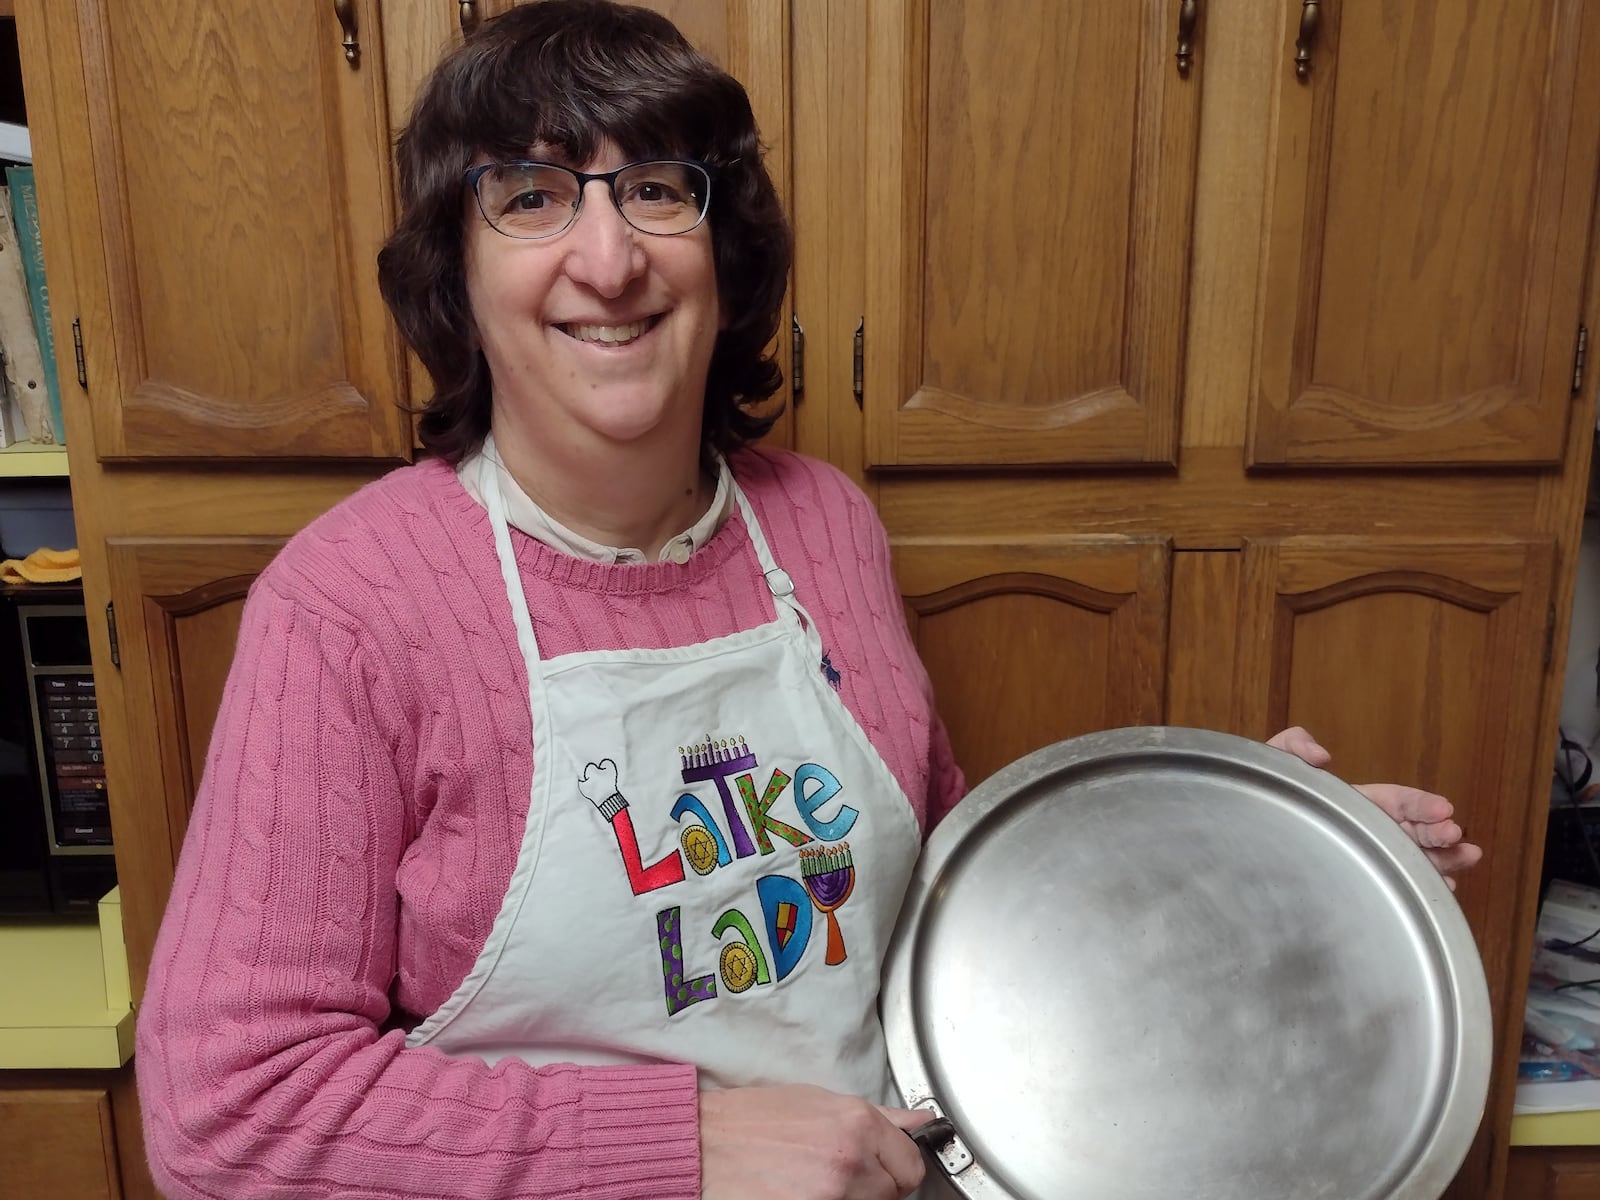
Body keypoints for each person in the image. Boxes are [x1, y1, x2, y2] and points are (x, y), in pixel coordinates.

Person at [134, 3, 1482, 1198]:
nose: (608, 262)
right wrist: (687, 1147)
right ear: (458, 275)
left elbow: (949, 898)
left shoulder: (821, 523)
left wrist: (1238, 854)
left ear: (725, 260)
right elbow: (228, 1112)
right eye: (532, 198)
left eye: (657, 191)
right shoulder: (352, 603)